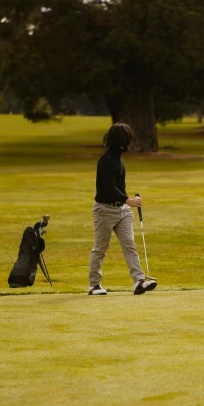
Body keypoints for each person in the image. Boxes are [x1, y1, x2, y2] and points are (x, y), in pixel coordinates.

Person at [88, 123, 157, 296]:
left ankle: (139, 281)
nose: (130, 143)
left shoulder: (117, 158)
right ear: (122, 141)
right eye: (128, 139)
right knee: (100, 248)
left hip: (122, 211)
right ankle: (94, 285)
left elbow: (118, 187)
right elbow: (109, 188)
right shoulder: (108, 161)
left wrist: (128, 202)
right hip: (104, 210)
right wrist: (129, 200)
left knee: (130, 245)